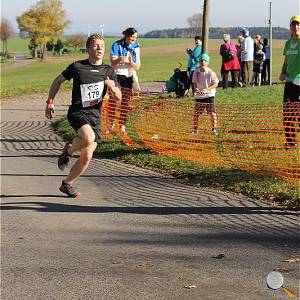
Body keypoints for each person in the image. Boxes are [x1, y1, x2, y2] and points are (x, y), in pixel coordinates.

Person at [45, 34, 122, 197]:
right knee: (88, 138)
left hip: (95, 116)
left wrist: (111, 86)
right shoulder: (77, 67)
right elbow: (58, 80)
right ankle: (70, 149)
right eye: (95, 45)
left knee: (87, 156)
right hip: (77, 112)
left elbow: (119, 97)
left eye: (102, 45)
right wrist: (50, 102)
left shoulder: (108, 71)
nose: (100, 48)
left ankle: (67, 182)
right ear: (88, 49)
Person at [109, 27, 141, 133]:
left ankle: (122, 125)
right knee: (114, 99)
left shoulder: (136, 46)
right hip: (117, 75)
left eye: (135, 37)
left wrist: (132, 62)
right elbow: (113, 63)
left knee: (125, 102)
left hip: (129, 76)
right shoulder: (116, 45)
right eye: (132, 37)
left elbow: (137, 66)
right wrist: (119, 59)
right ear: (126, 36)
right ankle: (110, 124)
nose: (134, 40)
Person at [279, 15, 300, 149]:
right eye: (293, 24)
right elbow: (286, 62)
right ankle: (290, 142)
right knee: (287, 113)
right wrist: (282, 72)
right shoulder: (288, 43)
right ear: (290, 27)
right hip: (289, 82)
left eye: (298, 24)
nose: (296, 27)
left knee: (298, 112)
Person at [191, 53, 219, 135]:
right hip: (199, 96)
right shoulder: (196, 72)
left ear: (207, 62)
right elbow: (194, 82)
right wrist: (196, 88)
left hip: (209, 95)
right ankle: (195, 129)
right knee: (196, 113)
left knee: (212, 113)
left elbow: (216, 84)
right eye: (201, 60)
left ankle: (214, 129)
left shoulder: (210, 73)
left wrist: (207, 90)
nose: (202, 62)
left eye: (204, 60)